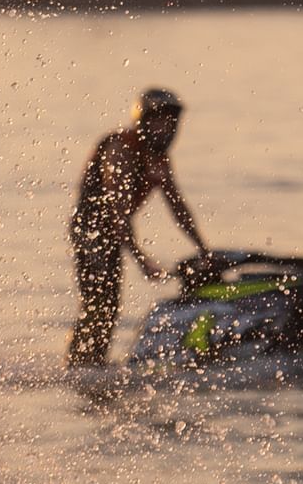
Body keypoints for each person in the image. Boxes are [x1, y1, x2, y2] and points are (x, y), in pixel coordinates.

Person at [66, 87, 209, 365]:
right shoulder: (121, 148)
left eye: (171, 123)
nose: (166, 129)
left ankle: (93, 361)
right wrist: (142, 258)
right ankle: (80, 363)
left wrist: (204, 248)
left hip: (114, 233)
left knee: (110, 304)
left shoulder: (159, 159)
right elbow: (117, 212)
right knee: (99, 304)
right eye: (159, 121)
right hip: (91, 230)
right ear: (143, 121)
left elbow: (178, 208)